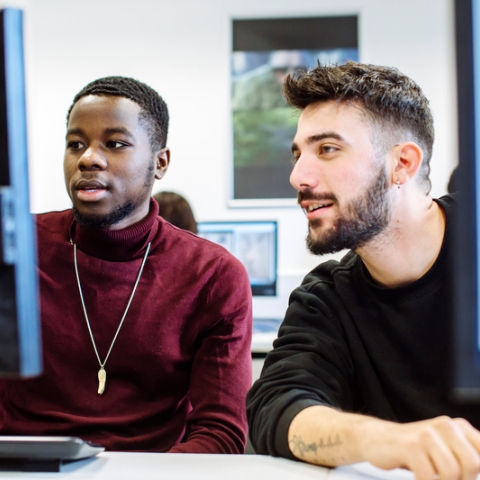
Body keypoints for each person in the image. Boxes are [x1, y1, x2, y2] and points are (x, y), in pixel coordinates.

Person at [247, 62, 480, 479]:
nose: (298, 176)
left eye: (328, 149)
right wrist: (389, 442)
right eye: (298, 154)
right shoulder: (326, 298)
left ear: (402, 164)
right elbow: (276, 408)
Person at [0, 76, 252, 453]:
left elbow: (221, 433)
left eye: (115, 144)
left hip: (151, 474)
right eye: (75, 144)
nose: (88, 158)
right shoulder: (16, 246)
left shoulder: (212, 275)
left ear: (160, 163)